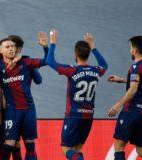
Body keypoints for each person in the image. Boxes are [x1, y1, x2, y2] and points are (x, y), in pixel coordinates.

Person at [46, 29, 108, 160]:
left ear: (75, 55)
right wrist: (93, 47)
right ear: (88, 54)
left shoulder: (72, 70)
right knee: (78, 149)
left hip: (73, 116)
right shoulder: (96, 71)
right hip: (89, 116)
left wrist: (53, 43)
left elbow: (50, 61)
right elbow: (104, 64)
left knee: (66, 150)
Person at [107, 36, 142, 160]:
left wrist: (117, 105)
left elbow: (134, 89)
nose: (130, 50)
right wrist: (122, 80)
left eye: (131, 48)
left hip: (131, 111)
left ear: (135, 50)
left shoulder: (136, 67)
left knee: (119, 146)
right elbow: (141, 83)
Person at [0, 36, 47, 160]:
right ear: (0, 51)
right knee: (9, 144)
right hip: (11, 111)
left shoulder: (26, 63)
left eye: (13, 46)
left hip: (29, 109)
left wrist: (46, 47)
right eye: (7, 47)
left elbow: (47, 61)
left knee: (30, 144)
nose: (11, 49)